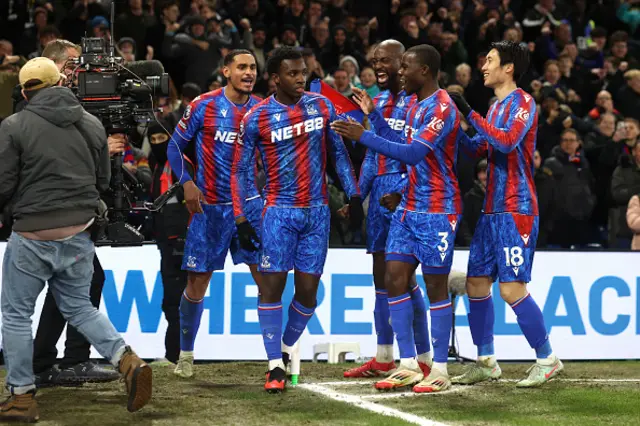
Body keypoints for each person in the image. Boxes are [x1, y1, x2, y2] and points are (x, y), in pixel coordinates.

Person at [0, 57, 151, 422]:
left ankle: (21, 397)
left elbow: (4, 183)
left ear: (25, 90)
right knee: (79, 307)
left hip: (33, 232)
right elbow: (101, 180)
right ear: (62, 84)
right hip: (80, 230)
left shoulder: (14, 125)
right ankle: (126, 360)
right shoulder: (91, 124)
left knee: (17, 315)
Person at [332, 44, 464, 393]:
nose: (400, 73)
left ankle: (438, 368)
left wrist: (364, 135)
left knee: (435, 287)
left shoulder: (441, 108)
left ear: (425, 71)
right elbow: (393, 139)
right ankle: (407, 363)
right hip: (408, 206)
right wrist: (373, 117)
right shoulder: (412, 104)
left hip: (437, 207)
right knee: (394, 277)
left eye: (406, 67)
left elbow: (413, 152)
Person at [231, 46, 363, 393]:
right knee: (271, 288)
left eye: (303, 71)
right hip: (278, 213)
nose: (301, 78)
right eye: (292, 73)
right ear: (275, 78)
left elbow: (338, 154)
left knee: (307, 294)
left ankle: (287, 348)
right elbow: (242, 171)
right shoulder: (256, 117)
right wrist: (243, 217)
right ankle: (275, 363)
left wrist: (354, 195)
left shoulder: (321, 106)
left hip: (317, 214)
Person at [448, 40, 564, 387]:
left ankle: (547, 358)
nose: (483, 66)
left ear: (509, 67)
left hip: (517, 208)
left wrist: (468, 112)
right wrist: (453, 127)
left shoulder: (523, 103)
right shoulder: (496, 107)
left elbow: (506, 142)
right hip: (491, 210)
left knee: (511, 289)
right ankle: (485, 360)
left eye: (490, 61)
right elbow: (476, 148)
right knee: (477, 283)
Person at [19, 39, 122, 386]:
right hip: (57, 220)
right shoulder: (58, 118)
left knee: (54, 295)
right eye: (76, 66)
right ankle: (65, 361)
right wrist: (100, 149)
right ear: (57, 69)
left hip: (37, 220)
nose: (84, 73)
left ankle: (41, 364)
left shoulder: (53, 114)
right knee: (78, 290)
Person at [166, 49, 263, 379]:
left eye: (253, 67)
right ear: (227, 71)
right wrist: (187, 183)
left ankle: (275, 359)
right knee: (196, 284)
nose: (249, 72)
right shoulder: (203, 105)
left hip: (250, 207)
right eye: (242, 67)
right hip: (210, 208)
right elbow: (174, 146)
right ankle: (186, 356)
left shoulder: (264, 110)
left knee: (268, 281)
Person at [342, 40, 432, 381]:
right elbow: (372, 156)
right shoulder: (376, 101)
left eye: (385, 60)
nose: (378, 65)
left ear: (404, 62)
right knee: (381, 278)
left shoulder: (416, 102)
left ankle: (422, 357)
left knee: (405, 279)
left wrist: (405, 190)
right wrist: (356, 196)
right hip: (379, 194)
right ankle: (384, 356)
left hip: (407, 192)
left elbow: (417, 154)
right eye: (374, 60)